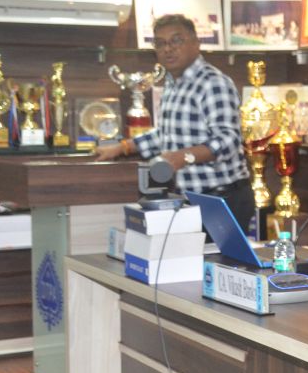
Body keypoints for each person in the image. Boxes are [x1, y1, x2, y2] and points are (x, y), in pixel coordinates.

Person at [94, 15, 253, 231]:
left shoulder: (213, 83)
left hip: (222, 200)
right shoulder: (172, 84)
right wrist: (122, 147)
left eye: (176, 40)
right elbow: (166, 135)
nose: (168, 49)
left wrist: (184, 157)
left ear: (196, 43)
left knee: (214, 256)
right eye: (160, 43)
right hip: (189, 199)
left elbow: (228, 140)